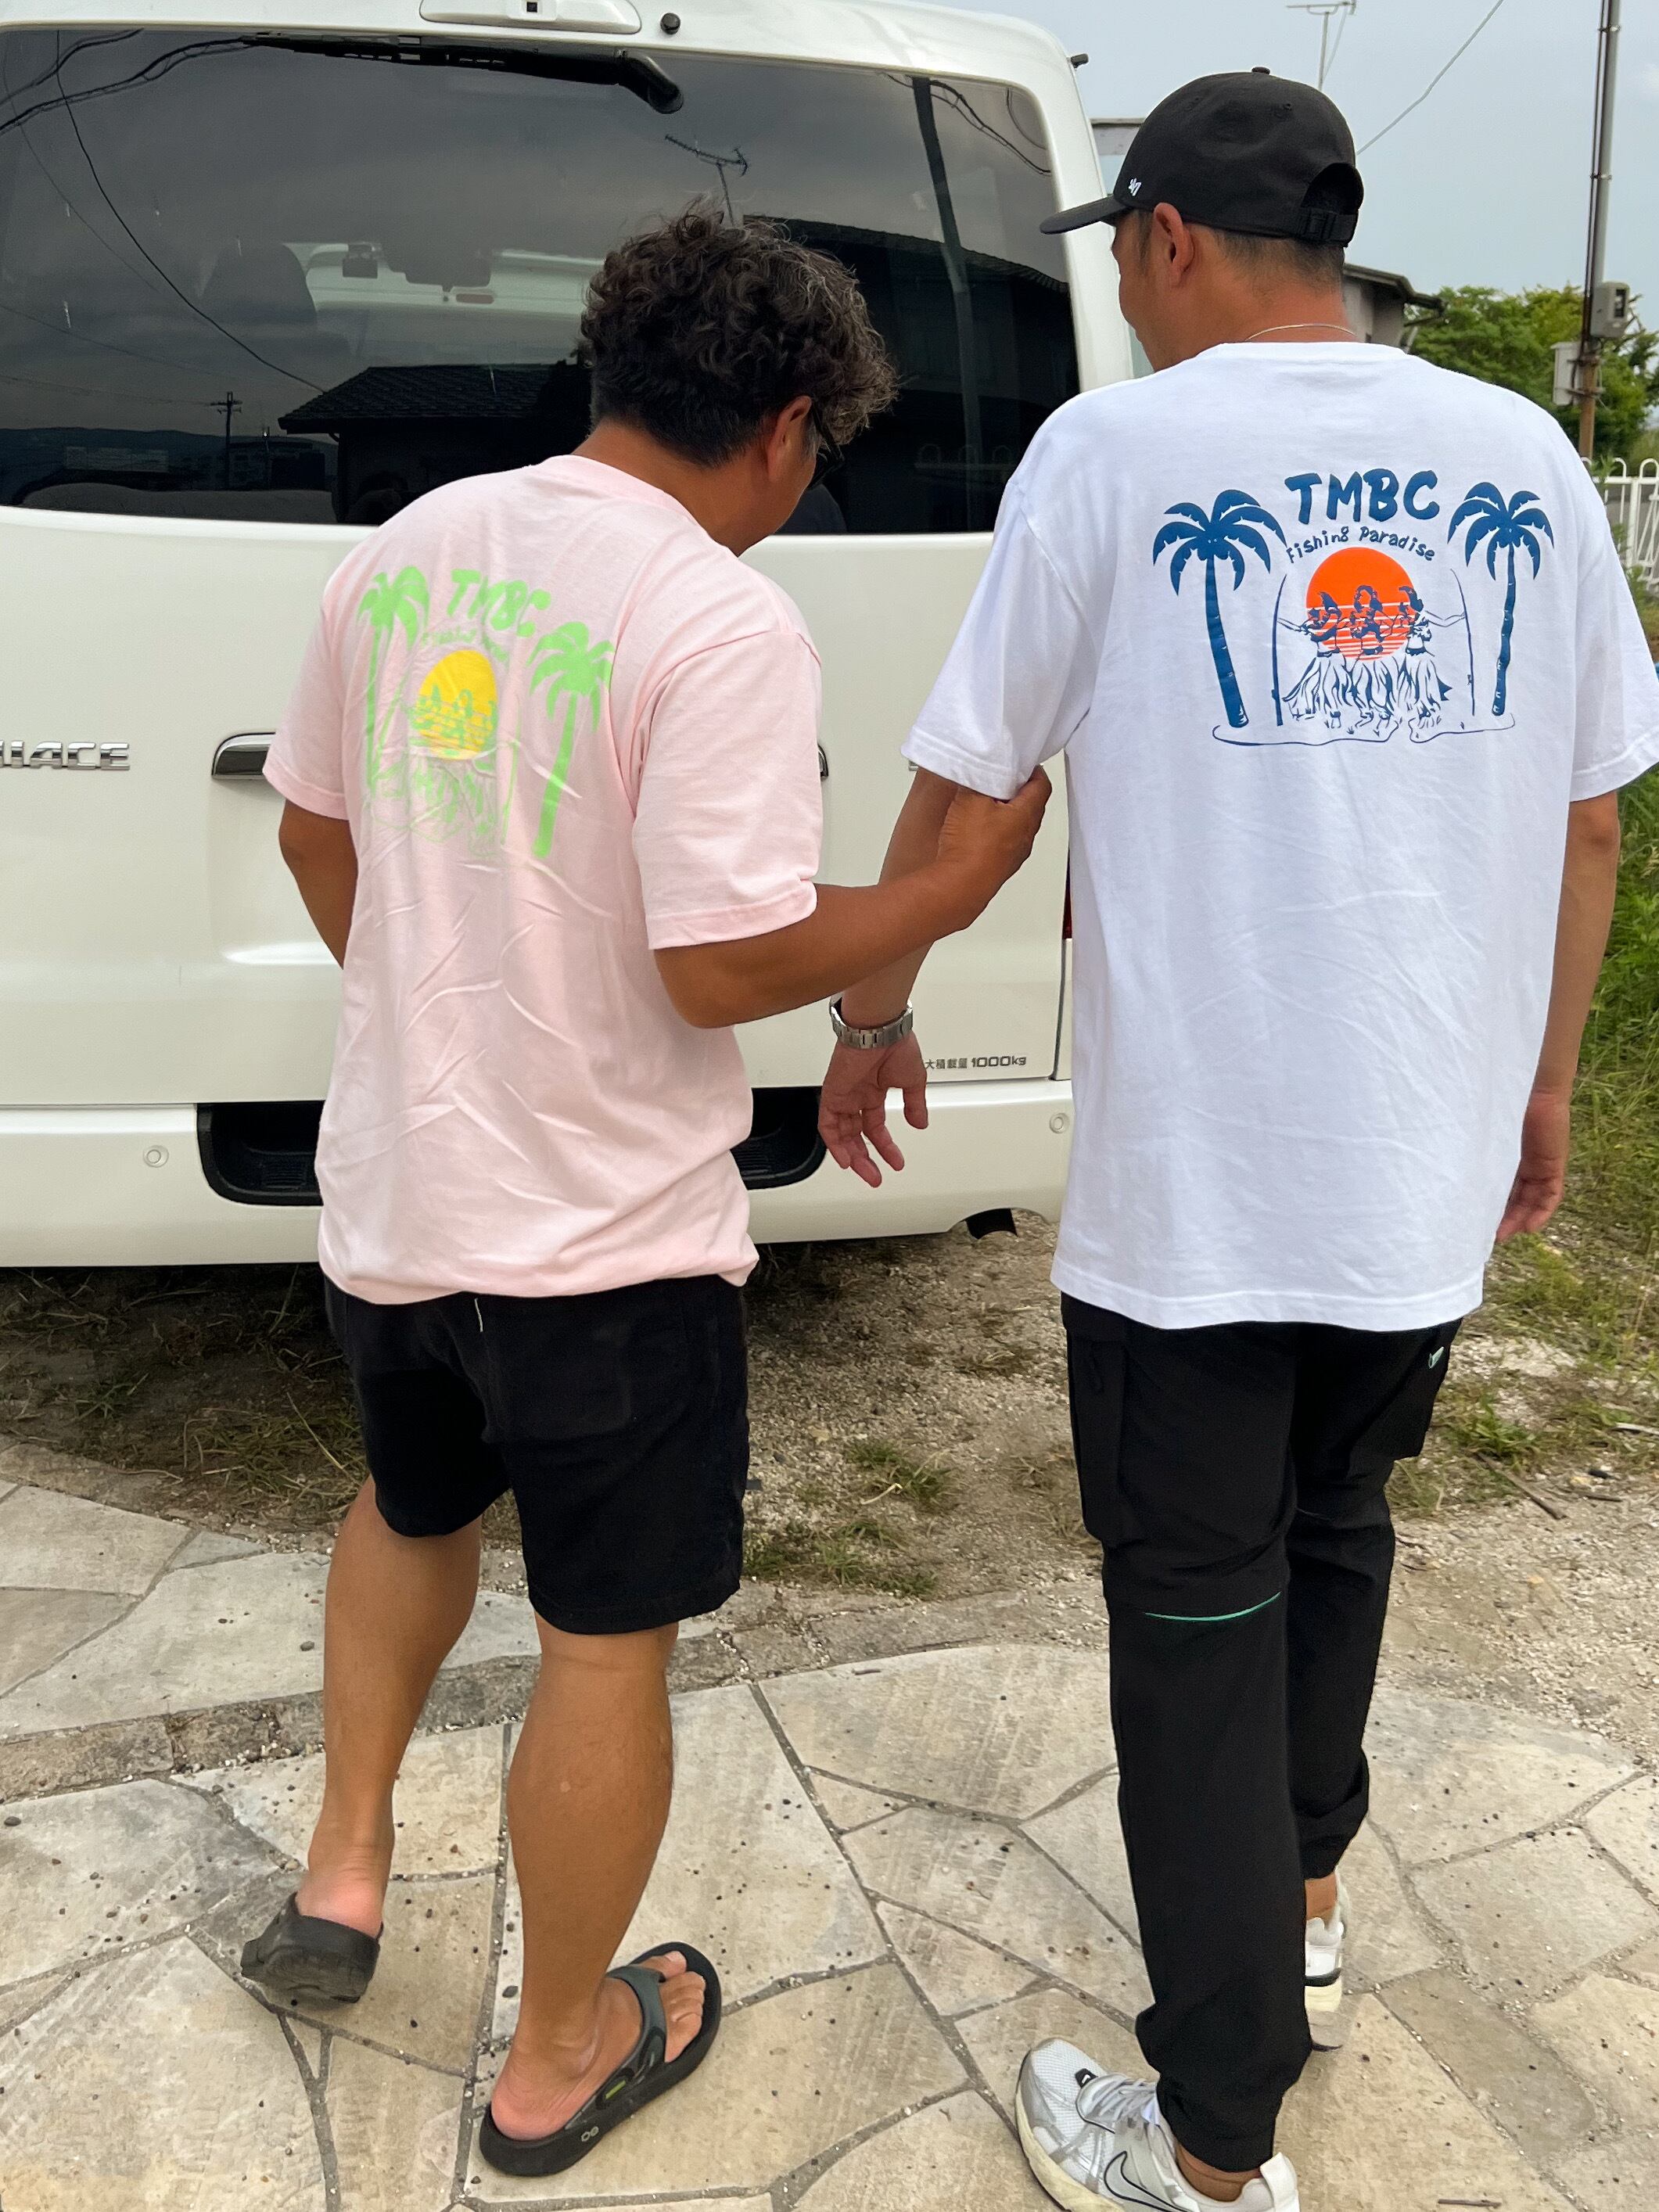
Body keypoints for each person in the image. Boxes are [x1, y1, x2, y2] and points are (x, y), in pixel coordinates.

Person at [817, 70, 1659, 2212]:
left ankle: (1208, 2138)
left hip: (1201, 1191)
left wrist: (874, 1010)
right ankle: (1300, 1906)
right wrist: (1542, 1081)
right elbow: (1586, 822)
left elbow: (970, 786)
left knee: (1193, 1617)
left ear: (1170, 236)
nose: (1120, 280)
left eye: (1120, 245)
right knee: (1338, 1520)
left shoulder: (1111, 453)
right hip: (1418, 1165)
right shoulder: (1522, 451)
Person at [247, 203, 1049, 2182]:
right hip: (603, 1245)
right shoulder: (715, 619)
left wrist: (436, 1009)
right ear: (784, 426)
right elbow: (719, 959)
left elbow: (313, 831)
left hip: (400, 1196)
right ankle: (556, 2058)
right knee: (604, 1641)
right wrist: (943, 892)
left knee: (410, 1503)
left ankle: (343, 1871)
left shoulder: (410, 548)